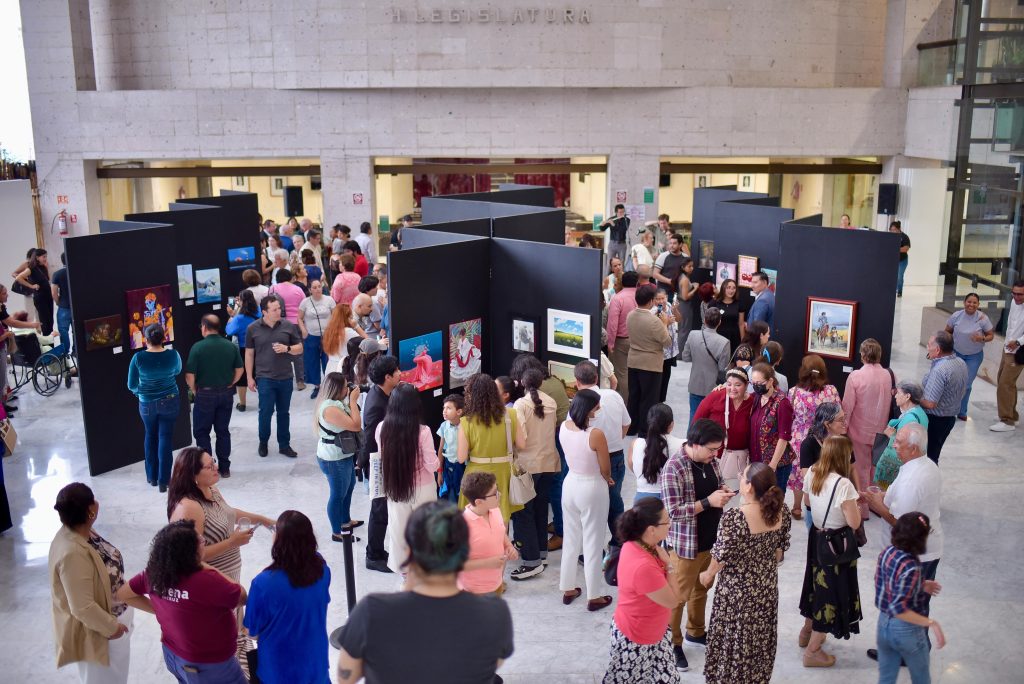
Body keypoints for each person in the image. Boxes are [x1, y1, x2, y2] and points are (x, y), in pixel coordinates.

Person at [335, 501, 513, 683]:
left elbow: (346, 678)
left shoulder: (371, 612)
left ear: (409, 551)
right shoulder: (494, 613)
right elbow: (493, 664)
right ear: (464, 552)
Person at [118, 520, 248, 683]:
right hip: (209, 665)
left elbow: (124, 594)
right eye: (200, 540)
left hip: (174, 654)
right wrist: (204, 565)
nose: (204, 541)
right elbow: (242, 597)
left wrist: (163, 611)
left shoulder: (155, 573)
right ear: (189, 552)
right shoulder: (207, 579)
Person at [861, 422, 943, 667]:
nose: (893, 445)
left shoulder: (913, 480)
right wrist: (880, 498)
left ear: (914, 448)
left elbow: (900, 523)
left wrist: (878, 506)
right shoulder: (925, 465)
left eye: (898, 442)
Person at [699, 462, 790, 684]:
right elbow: (779, 553)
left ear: (749, 487)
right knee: (759, 639)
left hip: (737, 595)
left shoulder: (735, 518)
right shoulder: (782, 511)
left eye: (743, 475)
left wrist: (706, 575)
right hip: (766, 589)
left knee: (734, 639)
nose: (739, 477)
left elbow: (719, 558)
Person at [49, 483, 149, 683]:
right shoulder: (72, 553)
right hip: (101, 634)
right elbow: (82, 607)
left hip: (115, 621)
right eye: (93, 499)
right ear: (91, 510)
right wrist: (113, 628)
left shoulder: (84, 532)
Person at [661, 418, 733, 671]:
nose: (716, 454)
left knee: (701, 589)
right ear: (695, 443)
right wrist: (708, 502)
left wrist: (723, 490)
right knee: (677, 597)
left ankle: (696, 631)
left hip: (710, 540)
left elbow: (717, 481)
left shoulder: (710, 461)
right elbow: (672, 512)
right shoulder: (674, 468)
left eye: (717, 449)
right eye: (712, 449)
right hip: (685, 546)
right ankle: (672, 643)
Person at [244, 510, 331, 684]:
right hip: (315, 661)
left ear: (279, 541)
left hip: (278, 668)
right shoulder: (322, 569)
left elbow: (251, 630)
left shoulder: (263, 583)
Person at [798, 435, 862, 667]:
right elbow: (854, 522)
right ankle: (813, 651)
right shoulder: (843, 484)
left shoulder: (813, 472)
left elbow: (807, 502)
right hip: (836, 546)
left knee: (814, 585)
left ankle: (806, 632)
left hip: (816, 539)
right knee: (831, 593)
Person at [602, 498, 678, 683]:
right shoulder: (643, 566)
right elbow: (673, 600)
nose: (670, 525)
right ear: (651, 529)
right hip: (637, 640)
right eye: (666, 521)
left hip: (655, 632)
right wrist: (670, 565)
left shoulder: (638, 544)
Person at [558, 389, 615, 611]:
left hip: (570, 484)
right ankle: (594, 596)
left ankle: (567, 588)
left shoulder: (564, 427)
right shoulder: (595, 434)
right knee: (593, 540)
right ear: (589, 408)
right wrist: (608, 478)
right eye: (597, 406)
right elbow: (605, 467)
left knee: (571, 539)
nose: (599, 409)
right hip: (592, 487)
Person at [873, 512, 946, 683]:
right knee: (921, 678)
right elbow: (898, 609)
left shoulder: (887, 552)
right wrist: (931, 623)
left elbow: (887, 583)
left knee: (886, 677)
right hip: (906, 631)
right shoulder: (912, 567)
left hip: (883, 625)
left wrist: (920, 584)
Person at [377, 383, 439, 575]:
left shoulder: (382, 428)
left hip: (395, 485)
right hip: (423, 488)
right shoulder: (423, 431)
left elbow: (382, 457)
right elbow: (432, 465)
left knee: (399, 531)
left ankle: (405, 573)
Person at [507, 369, 559, 581]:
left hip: (527, 465)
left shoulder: (520, 404)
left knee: (523, 512)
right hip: (548, 462)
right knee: (540, 509)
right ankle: (540, 553)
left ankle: (531, 561)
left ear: (521, 382)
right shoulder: (551, 402)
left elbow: (521, 440)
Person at [572, 359, 631, 544]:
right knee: (614, 502)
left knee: (592, 507)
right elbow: (627, 423)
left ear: (577, 382)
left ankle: (594, 549)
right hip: (616, 457)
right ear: (597, 378)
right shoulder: (614, 396)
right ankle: (620, 543)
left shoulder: (577, 404)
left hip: (591, 461)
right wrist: (616, 440)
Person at [457, 374, 525, 523]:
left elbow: (461, 458)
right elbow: (521, 444)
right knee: (502, 520)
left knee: (474, 522)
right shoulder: (511, 414)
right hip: (503, 472)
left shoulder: (466, 422)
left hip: (475, 476)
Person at [186, 314, 244, 478]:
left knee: (202, 432)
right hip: (226, 393)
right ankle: (224, 468)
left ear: (204, 327)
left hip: (205, 394)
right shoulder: (230, 346)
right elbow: (240, 369)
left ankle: (208, 468)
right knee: (222, 431)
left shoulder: (198, 347)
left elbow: (189, 375)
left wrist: (194, 390)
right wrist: (231, 382)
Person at [246, 296, 303, 458]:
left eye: (279, 308)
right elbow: (249, 354)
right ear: (264, 312)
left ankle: (284, 445)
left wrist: (287, 348)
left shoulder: (288, 326)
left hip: (285, 376)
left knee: (284, 413)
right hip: (264, 377)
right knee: (265, 412)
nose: (279, 312)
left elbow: (299, 348)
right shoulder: (252, 328)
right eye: (274, 309)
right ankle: (263, 442)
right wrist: (249, 377)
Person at [127, 323, 182, 491]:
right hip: (170, 400)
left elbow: (131, 384)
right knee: (165, 437)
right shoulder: (173, 355)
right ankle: (164, 481)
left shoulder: (138, 358)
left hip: (147, 404)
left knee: (150, 436)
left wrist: (140, 392)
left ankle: (152, 477)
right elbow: (177, 371)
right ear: (164, 337)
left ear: (146, 339)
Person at [843, 338, 894, 515]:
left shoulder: (855, 376)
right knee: (875, 468)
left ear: (863, 355)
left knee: (860, 469)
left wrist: (843, 429)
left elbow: (847, 406)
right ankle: (877, 505)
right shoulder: (888, 375)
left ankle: (863, 508)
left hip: (858, 431)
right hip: (882, 431)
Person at [360, 355, 402, 574]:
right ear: (387, 377)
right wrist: (363, 464)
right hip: (378, 463)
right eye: (397, 371)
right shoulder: (377, 404)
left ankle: (377, 551)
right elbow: (369, 439)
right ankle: (373, 555)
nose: (400, 373)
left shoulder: (382, 392)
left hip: (385, 460)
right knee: (379, 510)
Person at [787, 354, 840, 519]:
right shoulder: (831, 391)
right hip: (823, 438)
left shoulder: (794, 392)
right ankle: (817, 505)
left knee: (799, 474)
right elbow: (838, 413)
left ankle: (797, 507)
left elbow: (790, 415)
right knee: (821, 473)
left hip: (799, 438)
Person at [313, 372, 362, 542]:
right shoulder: (330, 409)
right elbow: (356, 425)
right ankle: (337, 531)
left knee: (349, 487)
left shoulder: (337, 403)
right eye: (345, 386)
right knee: (338, 494)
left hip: (343, 453)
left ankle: (345, 521)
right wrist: (353, 401)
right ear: (337, 389)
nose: (348, 388)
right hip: (333, 458)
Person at [693, 368, 754, 493]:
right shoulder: (716, 396)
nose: (732, 388)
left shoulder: (753, 402)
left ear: (747, 385)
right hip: (712, 458)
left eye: (738, 385)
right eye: (729, 384)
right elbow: (696, 423)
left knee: (735, 494)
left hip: (740, 460)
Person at [458, 472, 519, 595]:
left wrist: (509, 546)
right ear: (479, 502)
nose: (500, 494)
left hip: (496, 583)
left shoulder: (495, 510)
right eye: (495, 493)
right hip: (473, 591)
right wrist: (488, 563)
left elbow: (500, 531)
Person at [626, 284, 674, 437]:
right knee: (649, 399)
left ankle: (631, 427)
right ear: (651, 301)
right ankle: (644, 431)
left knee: (634, 396)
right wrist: (665, 323)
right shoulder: (654, 321)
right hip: (651, 364)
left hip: (633, 360)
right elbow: (667, 341)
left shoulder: (630, 315)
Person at [919, 331, 968, 463]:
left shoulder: (940, 370)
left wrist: (913, 397)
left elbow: (930, 403)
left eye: (929, 345)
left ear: (938, 349)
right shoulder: (960, 362)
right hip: (949, 418)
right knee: (934, 455)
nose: (927, 347)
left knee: (928, 459)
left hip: (934, 421)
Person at [944, 292, 994, 420]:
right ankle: (950, 408)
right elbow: (947, 331)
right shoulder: (956, 316)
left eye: (974, 302)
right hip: (956, 354)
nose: (971, 304)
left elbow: (990, 335)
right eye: (969, 302)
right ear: (964, 303)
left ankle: (962, 411)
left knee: (966, 384)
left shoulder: (983, 318)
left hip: (974, 356)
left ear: (978, 304)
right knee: (954, 382)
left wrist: (981, 338)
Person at [680, 307, 730, 426]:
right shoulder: (724, 342)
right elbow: (723, 368)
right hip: (713, 387)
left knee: (694, 417)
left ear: (704, 320)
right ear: (719, 322)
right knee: (710, 422)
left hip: (695, 384)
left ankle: (691, 438)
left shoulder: (693, 335)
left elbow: (685, 357)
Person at [749, 362, 795, 492]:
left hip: (776, 465)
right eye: (753, 383)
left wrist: (772, 465)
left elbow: (783, 437)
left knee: (773, 499)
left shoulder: (782, 403)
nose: (756, 386)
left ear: (770, 381)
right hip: (756, 461)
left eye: (760, 383)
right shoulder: (756, 397)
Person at [875, 382, 929, 489]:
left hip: (903, 467)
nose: (895, 396)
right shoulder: (920, 412)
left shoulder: (909, 419)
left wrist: (891, 436)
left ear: (907, 396)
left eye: (898, 393)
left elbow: (905, 445)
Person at [0, 284, 42, 413]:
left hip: (3, 346)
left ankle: (3, 404)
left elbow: (9, 321)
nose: (7, 295)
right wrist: (32, 325)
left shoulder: (1, 307)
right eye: (4, 293)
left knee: (2, 378)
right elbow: (11, 322)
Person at [991, 279, 1024, 432]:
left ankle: (1007, 420)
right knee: (1004, 381)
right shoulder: (1014, 302)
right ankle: (1012, 415)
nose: (1016, 297)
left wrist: (1017, 342)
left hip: (1018, 350)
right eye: (1014, 293)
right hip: (1007, 348)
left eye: (1020, 294)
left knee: (1005, 384)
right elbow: (1011, 324)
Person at [631, 403, 681, 503]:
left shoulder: (636, 443)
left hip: (641, 500)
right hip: (670, 499)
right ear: (671, 424)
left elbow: (632, 466)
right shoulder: (682, 445)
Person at [268, 268, 307, 390]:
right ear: (290, 277)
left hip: (279, 324)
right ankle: (300, 381)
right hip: (296, 323)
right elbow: (304, 305)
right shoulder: (298, 289)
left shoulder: (273, 289)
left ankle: (282, 379)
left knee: (279, 350)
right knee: (298, 352)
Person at [298, 278, 336, 399]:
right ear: (310, 290)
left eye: (319, 286)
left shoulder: (329, 300)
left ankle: (328, 386)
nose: (317, 289)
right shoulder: (305, 302)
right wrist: (303, 330)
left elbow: (335, 316)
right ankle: (317, 386)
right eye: (314, 287)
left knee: (328, 361)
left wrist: (334, 331)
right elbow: (299, 318)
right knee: (312, 361)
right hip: (311, 336)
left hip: (327, 336)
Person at [606, 270, 639, 402]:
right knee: (636, 373)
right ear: (637, 282)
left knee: (622, 374)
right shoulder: (641, 296)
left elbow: (612, 323)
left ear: (622, 282)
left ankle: (625, 404)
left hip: (621, 341)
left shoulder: (618, 298)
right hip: (640, 340)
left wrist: (610, 343)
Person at [225, 290, 259, 412]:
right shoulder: (260, 312)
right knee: (260, 373)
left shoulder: (239, 318)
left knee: (242, 377)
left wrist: (231, 316)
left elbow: (229, 331)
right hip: (260, 347)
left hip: (244, 349)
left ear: (242, 301)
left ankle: (242, 403)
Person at [15, 247, 54, 335]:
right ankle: (46, 340)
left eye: (46, 256)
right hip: (40, 297)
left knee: (50, 321)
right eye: (43, 256)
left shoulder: (43, 267)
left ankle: (49, 340)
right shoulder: (30, 268)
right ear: (37, 257)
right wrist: (31, 286)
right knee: (44, 321)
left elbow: (47, 279)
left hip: (48, 296)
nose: (45, 259)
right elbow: (18, 277)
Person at [437, 394, 465, 502]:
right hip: (448, 467)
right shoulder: (444, 426)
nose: (444, 411)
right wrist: (439, 472)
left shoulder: (465, 426)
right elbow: (441, 450)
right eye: (444, 408)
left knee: (463, 497)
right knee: (451, 498)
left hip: (463, 466)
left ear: (459, 411)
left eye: (448, 408)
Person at [322, 302, 363, 376]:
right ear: (347, 318)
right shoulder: (348, 332)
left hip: (330, 367)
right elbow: (367, 342)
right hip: (343, 368)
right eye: (351, 317)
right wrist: (357, 326)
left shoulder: (329, 331)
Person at [655, 289, 680, 402]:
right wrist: (667, 323)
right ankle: (657, 401)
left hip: (670, 350)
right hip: (660, 351)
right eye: (658, 299)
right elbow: (655, 329)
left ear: (666, 297)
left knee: (666, 376)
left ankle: (661, 400)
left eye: (663, 298)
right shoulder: (654, 311)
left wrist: (675, 310)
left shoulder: (670, 306)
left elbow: (679, 319)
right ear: (653, 300)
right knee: (659, 378)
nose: (661, 301)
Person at [48, 252, 74, 360]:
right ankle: (76, 351)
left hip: (64, 306)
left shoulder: (57, 274)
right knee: (76, 330)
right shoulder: (76, 272)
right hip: (76, 306)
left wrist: (58, 302)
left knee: (63, 331)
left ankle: (65, 352)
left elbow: (54, 292)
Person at [713, 278, 746, 353]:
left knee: (732, 358)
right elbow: (710, 323)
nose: (731, 290)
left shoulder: (739, 303)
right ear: (723, 288)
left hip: (734, 337)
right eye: (728, 287)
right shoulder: (715, 303)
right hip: (718, 336)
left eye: (734, 288)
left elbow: (741, 324)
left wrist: (743, 342)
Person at [653, 233, 687, 302]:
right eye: (670, 243)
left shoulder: (685, 257)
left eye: (674, 243)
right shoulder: (663, 256)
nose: (671, 245)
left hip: (679, 293)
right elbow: (655, 274)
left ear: (680, 244)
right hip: (664, 293)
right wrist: (668, 281)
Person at [675, 257, 698, 349]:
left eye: (692, 266)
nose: (692, 268)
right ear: (683, 267)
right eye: (689, 266)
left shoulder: (681, 276)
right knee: (684, 330)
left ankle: (679, 352)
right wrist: (695, 288)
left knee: (681, 329)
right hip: (684, 306)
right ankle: (680, 353)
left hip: (680, 305)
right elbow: (685, 297)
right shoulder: (684, 279)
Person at [598, 204, 630, 268]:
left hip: (622, 244)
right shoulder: (612, 219)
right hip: (612, 243)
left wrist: (613, 224)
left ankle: (620, 274)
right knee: (609, 263)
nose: (622, 214)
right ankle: (608, 274)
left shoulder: (626, 220)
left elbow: (622, 231)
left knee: (621, 263)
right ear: (616, 212)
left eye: (623, 212)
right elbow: (602, 229)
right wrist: (601, 225)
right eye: (620, 212)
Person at [889, 220, 911, 297]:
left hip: (902, 261)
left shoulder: (904, 237)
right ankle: (892, 290)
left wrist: (895, 249)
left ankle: (899, 291)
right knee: (891, 276)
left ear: (899, 229)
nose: (893, 231)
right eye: (891, 230)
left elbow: (906, 248)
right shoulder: (889, 237)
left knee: (899, 276)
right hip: (892, 260)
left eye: (894, 229)